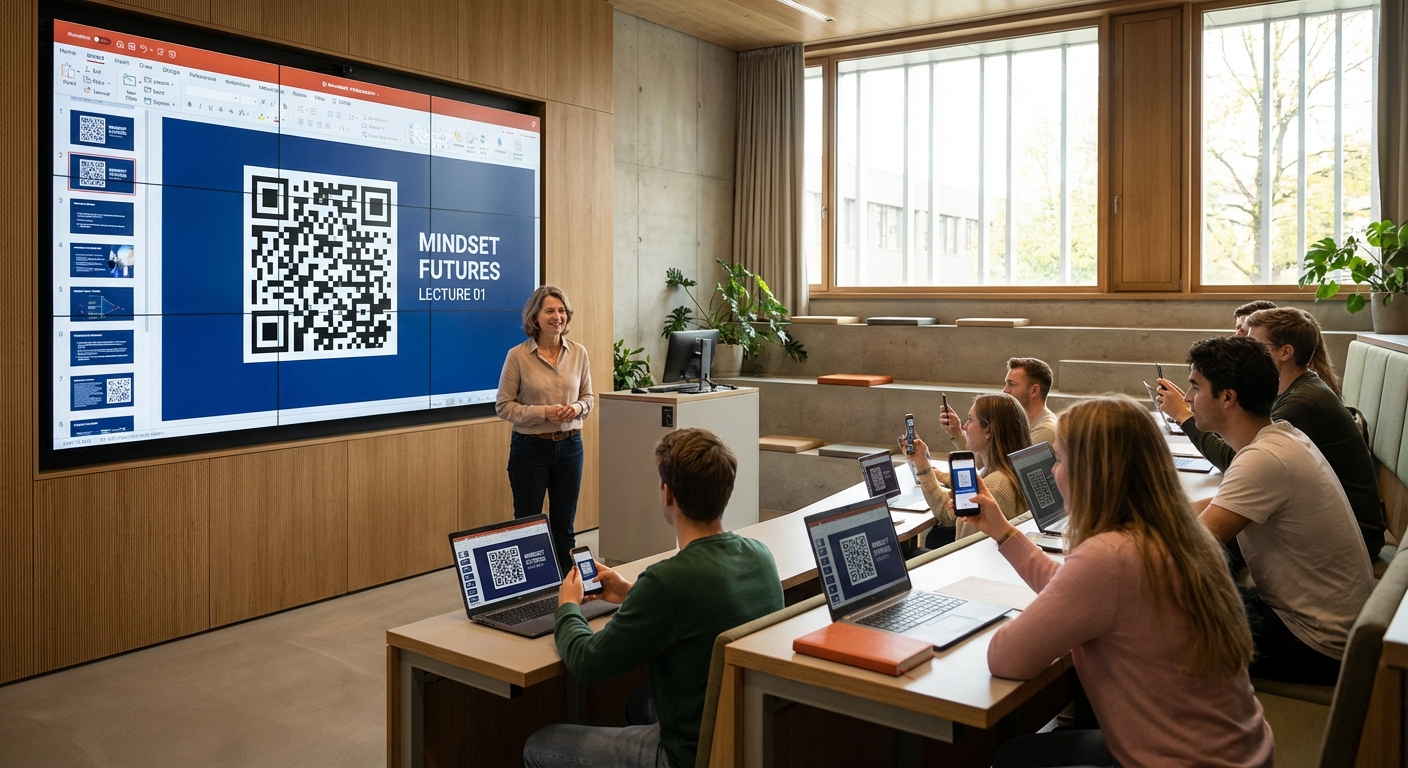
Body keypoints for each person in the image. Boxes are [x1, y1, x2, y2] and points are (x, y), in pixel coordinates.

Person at [969, 395, 1272, 767]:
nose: (1052, 472)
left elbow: (1005, 658)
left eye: (1059, 460)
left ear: (1089, 473)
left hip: (1186, 760)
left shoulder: (1109, 556)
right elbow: (1076, 586)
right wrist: (1003, 532)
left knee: (1013, 757)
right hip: (1239, 752)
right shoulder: (1175, 533)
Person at [523, 428, 784, 768]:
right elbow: (699, 607)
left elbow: (587, 661)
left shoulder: (667, 580)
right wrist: (632, 593)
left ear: (668, 493)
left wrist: (568, 605)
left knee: (540, 744)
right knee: (639, 702)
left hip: (687, 755)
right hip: (740, 735)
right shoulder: (759, 555)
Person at [1180, 336, 1373, 685]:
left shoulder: (1263, 460)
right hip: (1319, 620)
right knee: (1187, 603)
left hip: (1315, 642)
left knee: (1152, 628)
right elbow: (1216, 505)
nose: (1187, 398)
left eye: (1195, 386)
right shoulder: (1279, 436)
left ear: (1227, 397)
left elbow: (1188, 547)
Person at [1156, 308, 1384, 555]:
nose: (1244, 351)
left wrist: (1184, 417)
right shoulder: (1281, 425)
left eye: (1254, 345)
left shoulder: (1298, 408)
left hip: (1348, 546)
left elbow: (1190, 547)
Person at [497, 285, 594, 574]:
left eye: (562, 310)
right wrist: (544, 413)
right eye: (550, 310)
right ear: (535, 317)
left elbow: (588, 398)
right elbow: (504, 406)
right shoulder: (517, 356)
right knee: (527, 524)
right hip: (531, 449)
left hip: (570, 447)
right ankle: (530, 589)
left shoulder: (578, 352)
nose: (557, 316)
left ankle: (568, 591)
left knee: (564, 526)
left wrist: (576, 409)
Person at [911, 393, 1031, 541]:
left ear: (988, 431)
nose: (965, 427)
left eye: (970, 420)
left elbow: (963, 544)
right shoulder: (1011, 468)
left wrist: (922, 466)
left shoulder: (992, 489)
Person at [938, 358, 1058, 447]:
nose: (1005, 390)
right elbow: (984, 461)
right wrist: (957, 432)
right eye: (1006, 384)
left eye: (1012, 384)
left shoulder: (1046, 430)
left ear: (1034, 390)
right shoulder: (1015, 421)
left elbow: (1008, 471)